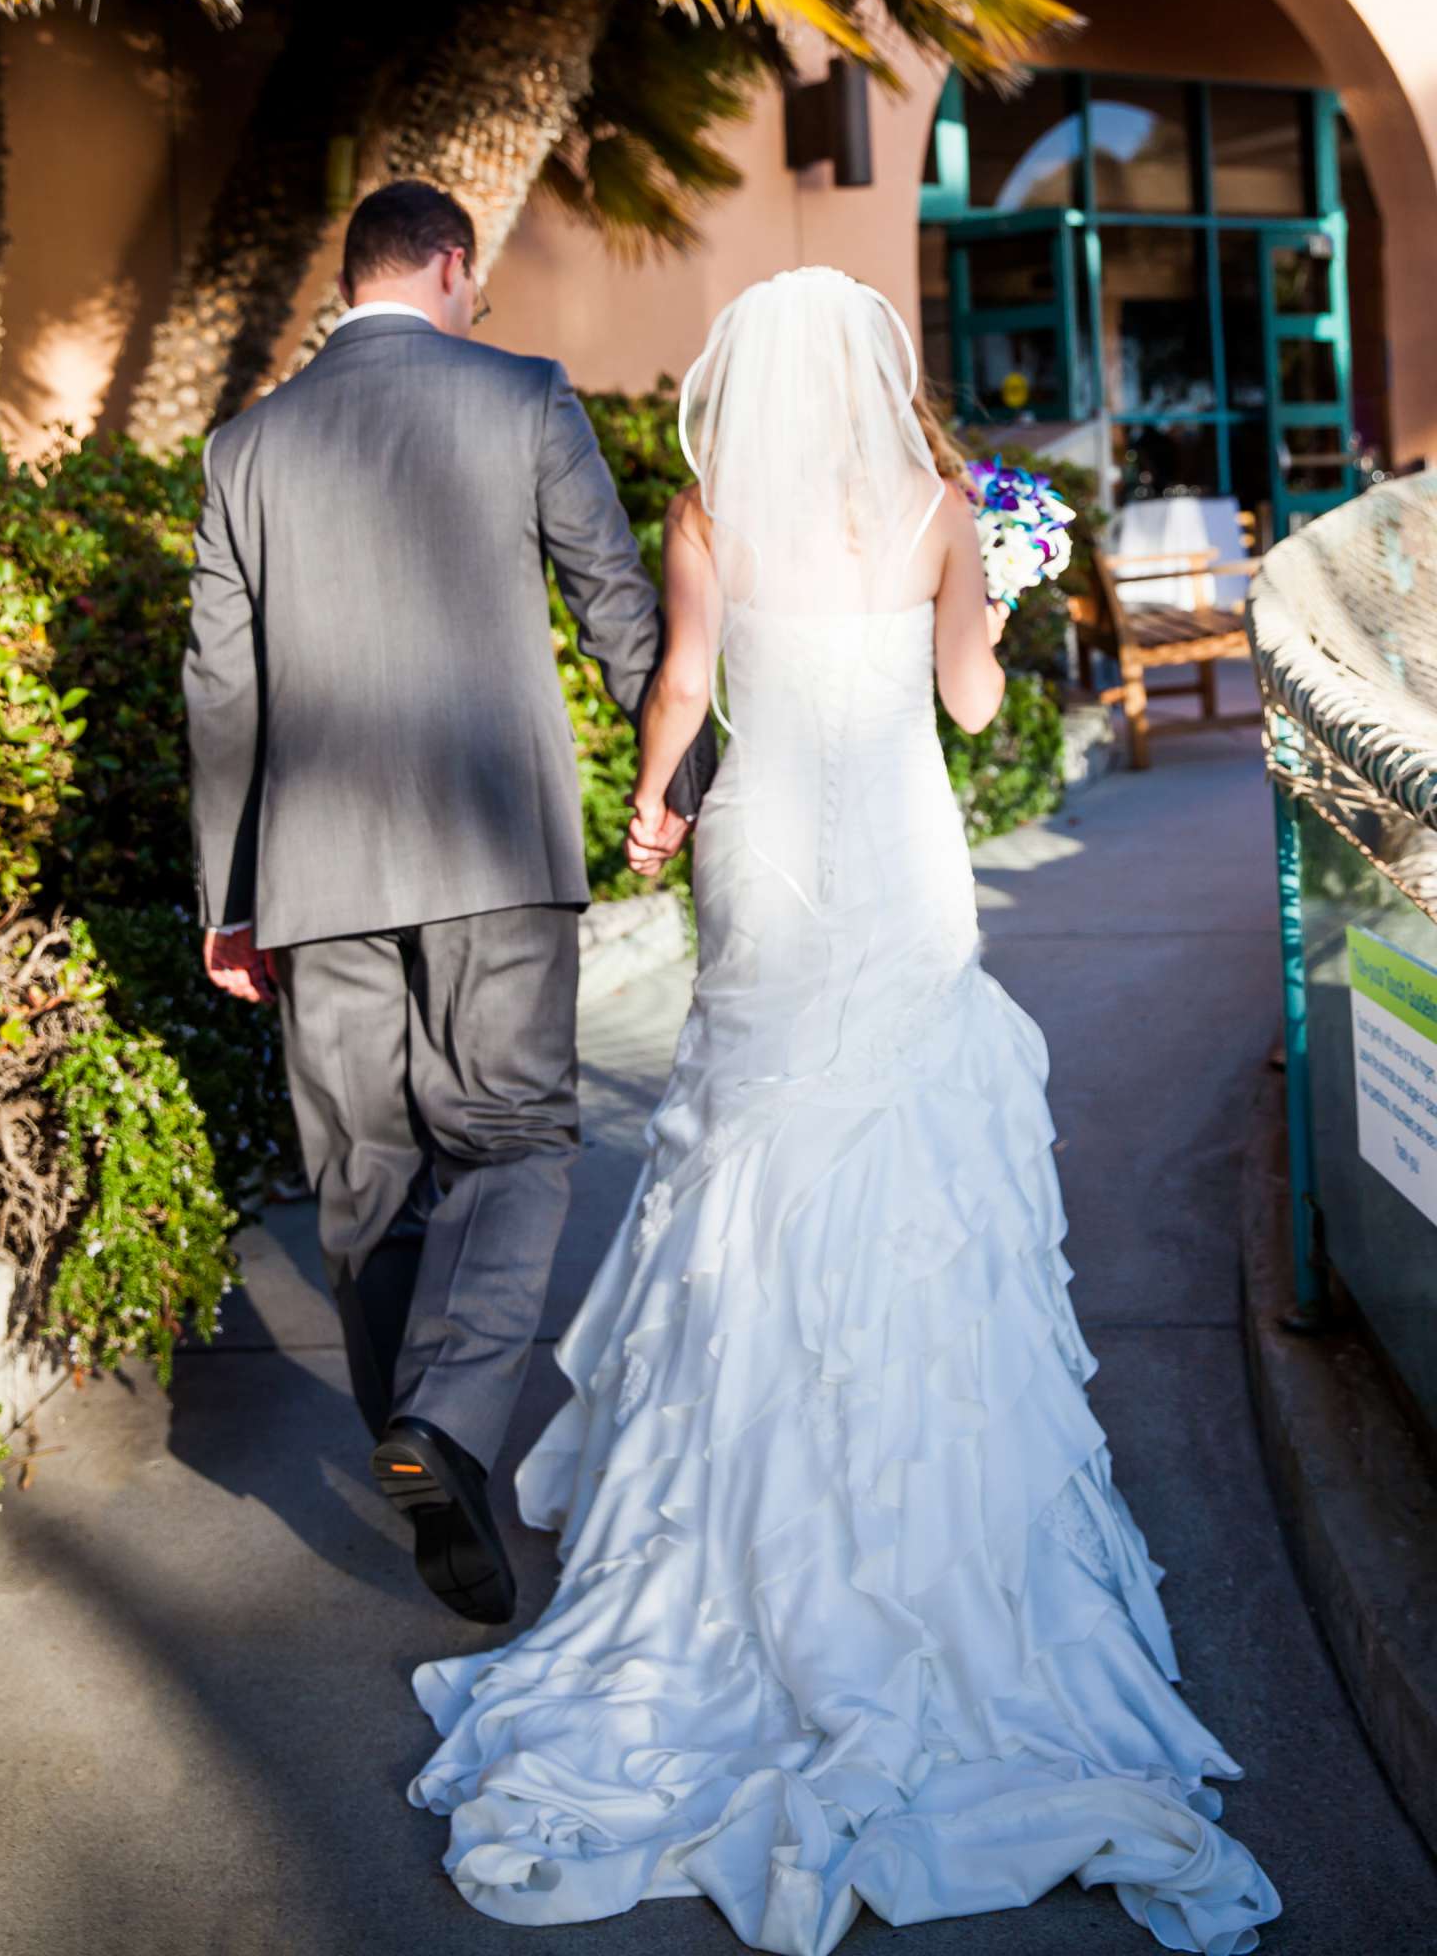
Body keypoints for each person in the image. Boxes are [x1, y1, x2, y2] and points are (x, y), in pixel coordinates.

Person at [409, 269, 1281, 1955]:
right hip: (897, 862)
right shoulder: (952, 504)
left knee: (747, 1157)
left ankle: (722, 1515)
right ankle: (926, 1511)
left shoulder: (712, 505)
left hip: (771, 856)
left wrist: (659, 812)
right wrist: (998, 605)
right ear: (876, 369)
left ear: (753, 377)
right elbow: (969, 708)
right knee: (913, 1164)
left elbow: (681, 686)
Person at [184, 179, 714, 1629]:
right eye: (475, 284)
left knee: (360, 1170)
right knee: (512, 1140)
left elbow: (221, 689)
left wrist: (231, 896)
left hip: (315, 873)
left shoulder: (246, 446)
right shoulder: (523, 398)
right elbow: (619, 604)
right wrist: (681, 781)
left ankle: (423, 1439)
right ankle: (451, 1424)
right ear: (452, 266)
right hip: (494, 851)